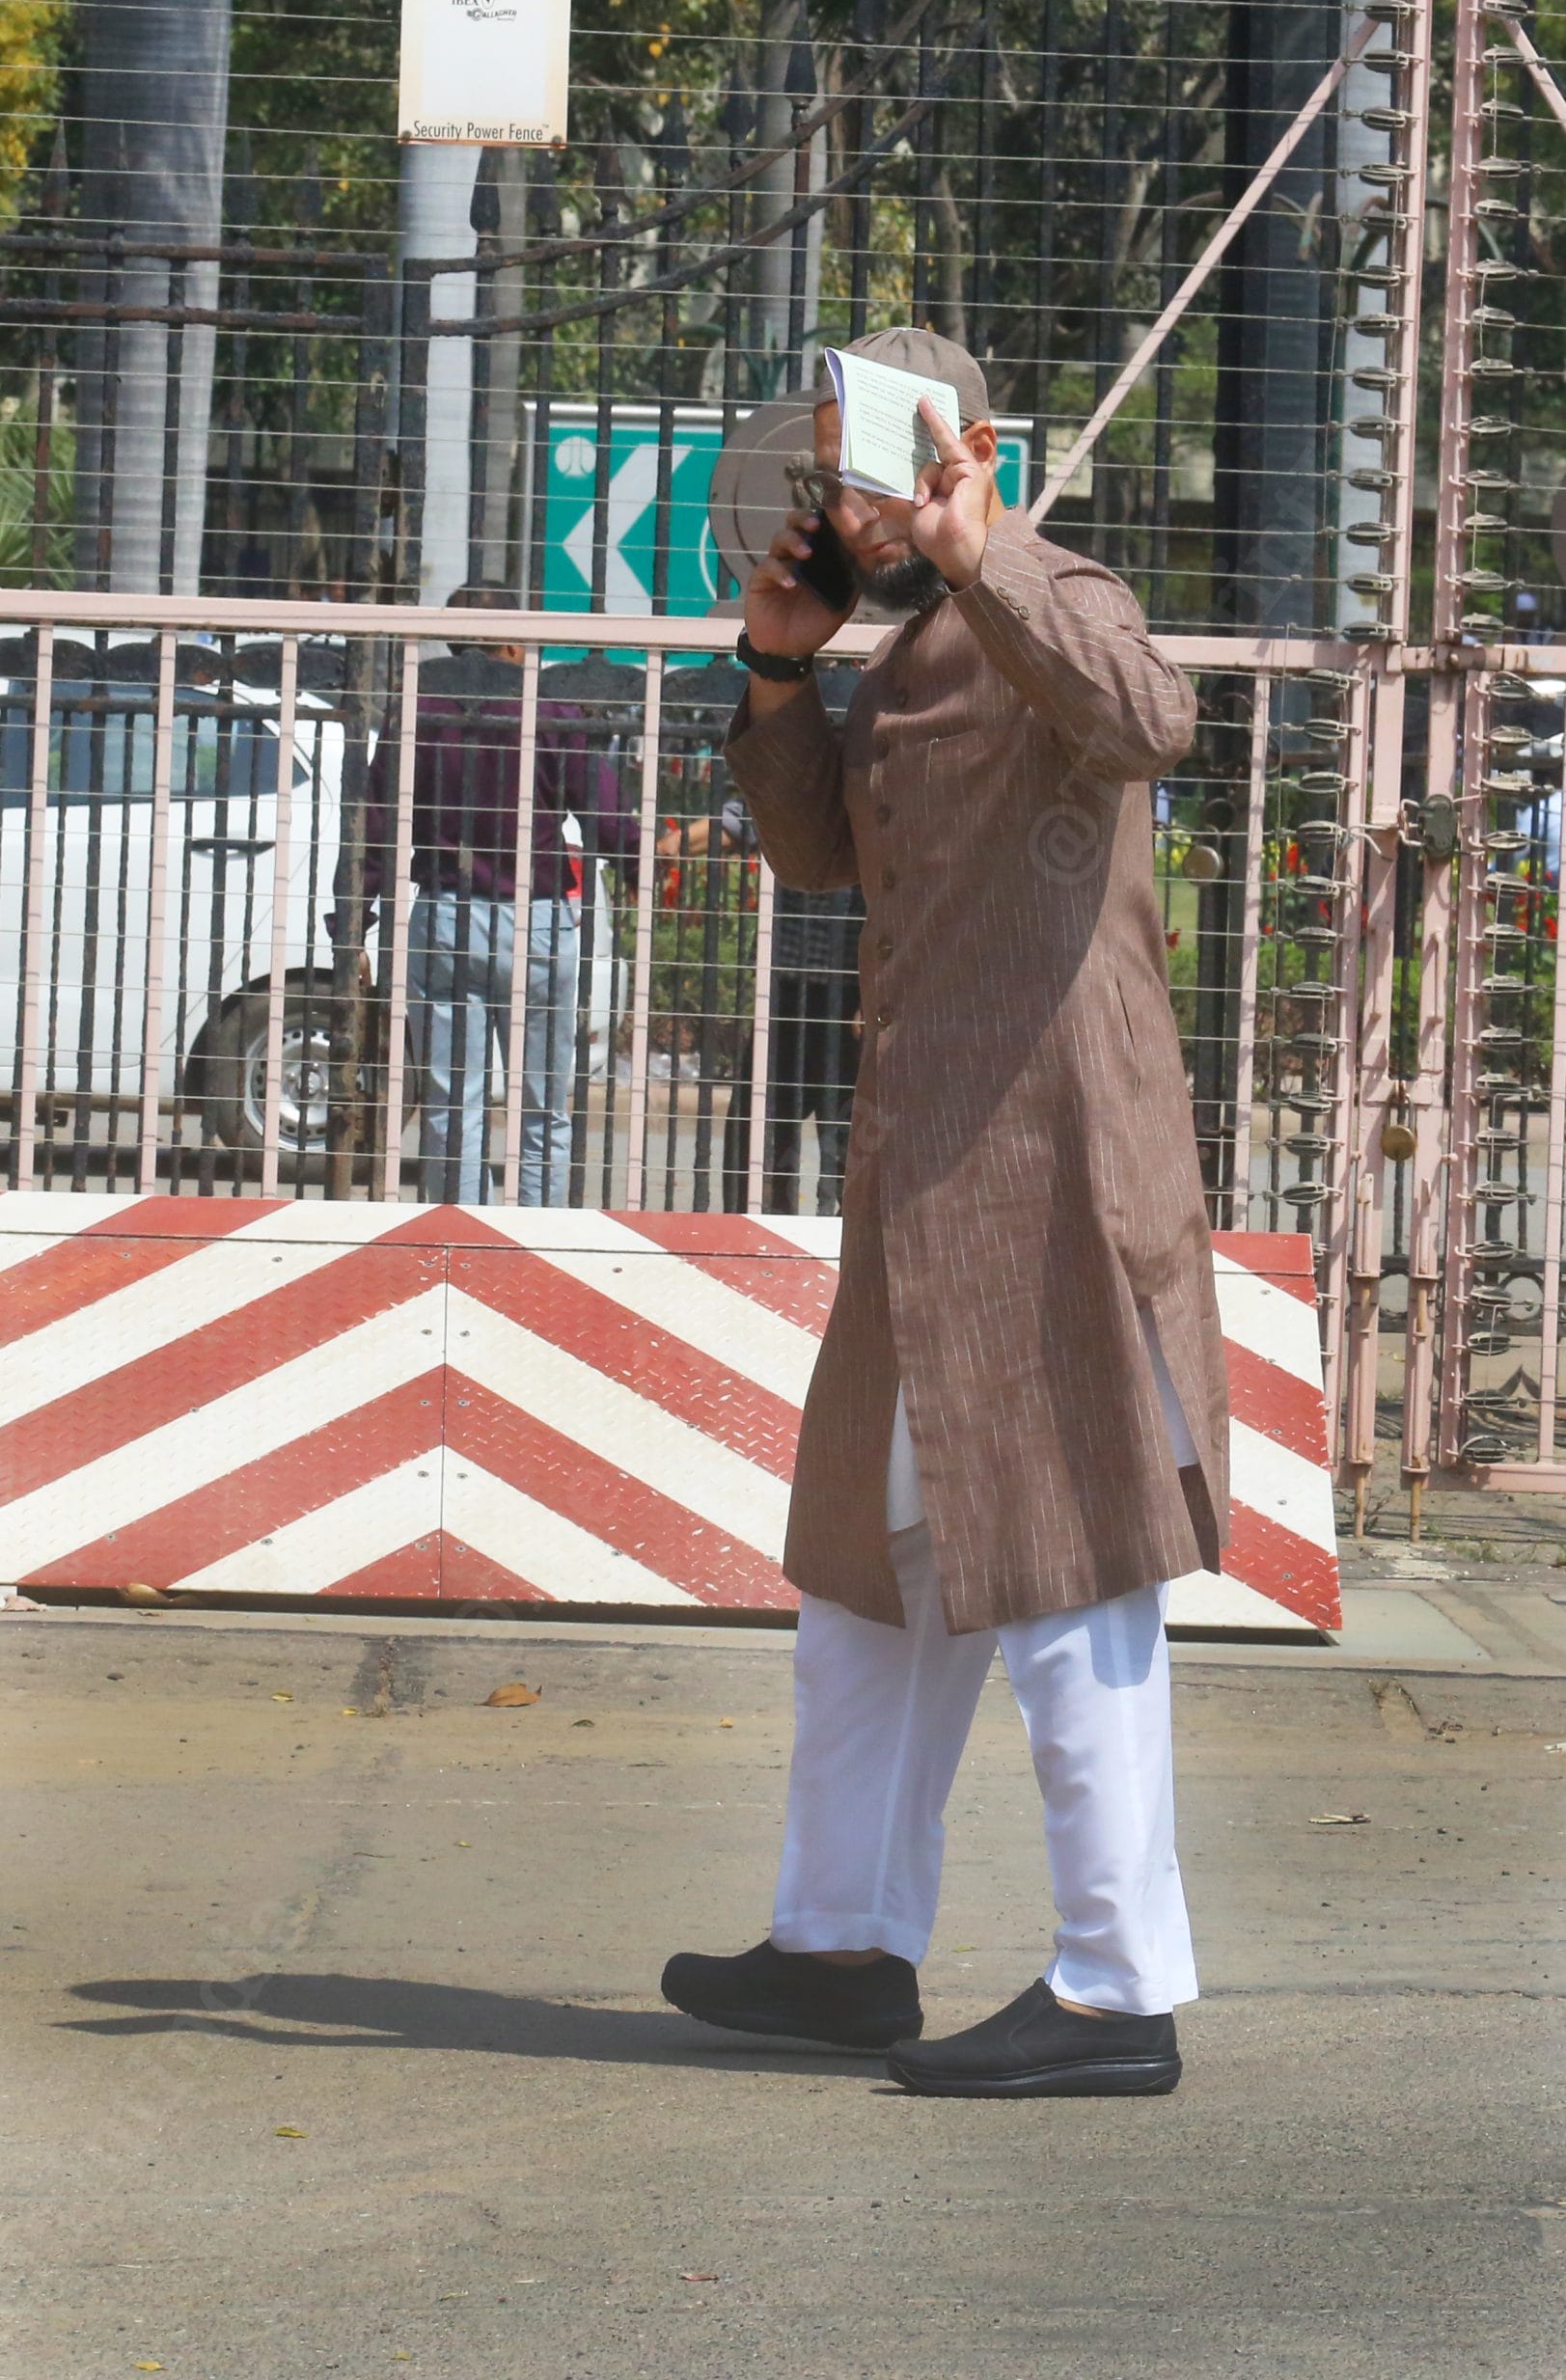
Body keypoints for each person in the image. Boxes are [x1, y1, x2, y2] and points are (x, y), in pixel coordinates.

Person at [660, 327, 1230, 2099]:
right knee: (874, 1580)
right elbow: (830, 855)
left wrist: (983, 560)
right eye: (829, 471)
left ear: (963, 448)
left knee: (1070, 1578)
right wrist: (773, 678)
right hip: (928, 1192)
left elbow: (1152, 719)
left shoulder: (1045, 589)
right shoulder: (899, 645)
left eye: (869, 464)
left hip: (1054, 1175)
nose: (844, 501)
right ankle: (839, 1949)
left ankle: (1115, 1990)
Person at [353, 584, 640, 1205]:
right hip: (535, 920)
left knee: (453, 1107)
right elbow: (605, 816)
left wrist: (353, 922)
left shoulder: (418, 710)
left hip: (445, 916)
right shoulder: (550, 709)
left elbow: (376, 825)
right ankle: (538, 1237)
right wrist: (642, 867)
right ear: (512, 641)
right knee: (543, 1108)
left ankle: (461, 1240)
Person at [663, 795, 863, 1214]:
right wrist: (669, 848)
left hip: (856, 996)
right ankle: (761, 1252)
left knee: (856, 1149)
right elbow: (741, 820)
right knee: (756, 1143)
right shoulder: (799, 777)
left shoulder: (877, 777)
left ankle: (850, 1256)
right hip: (788, 989)